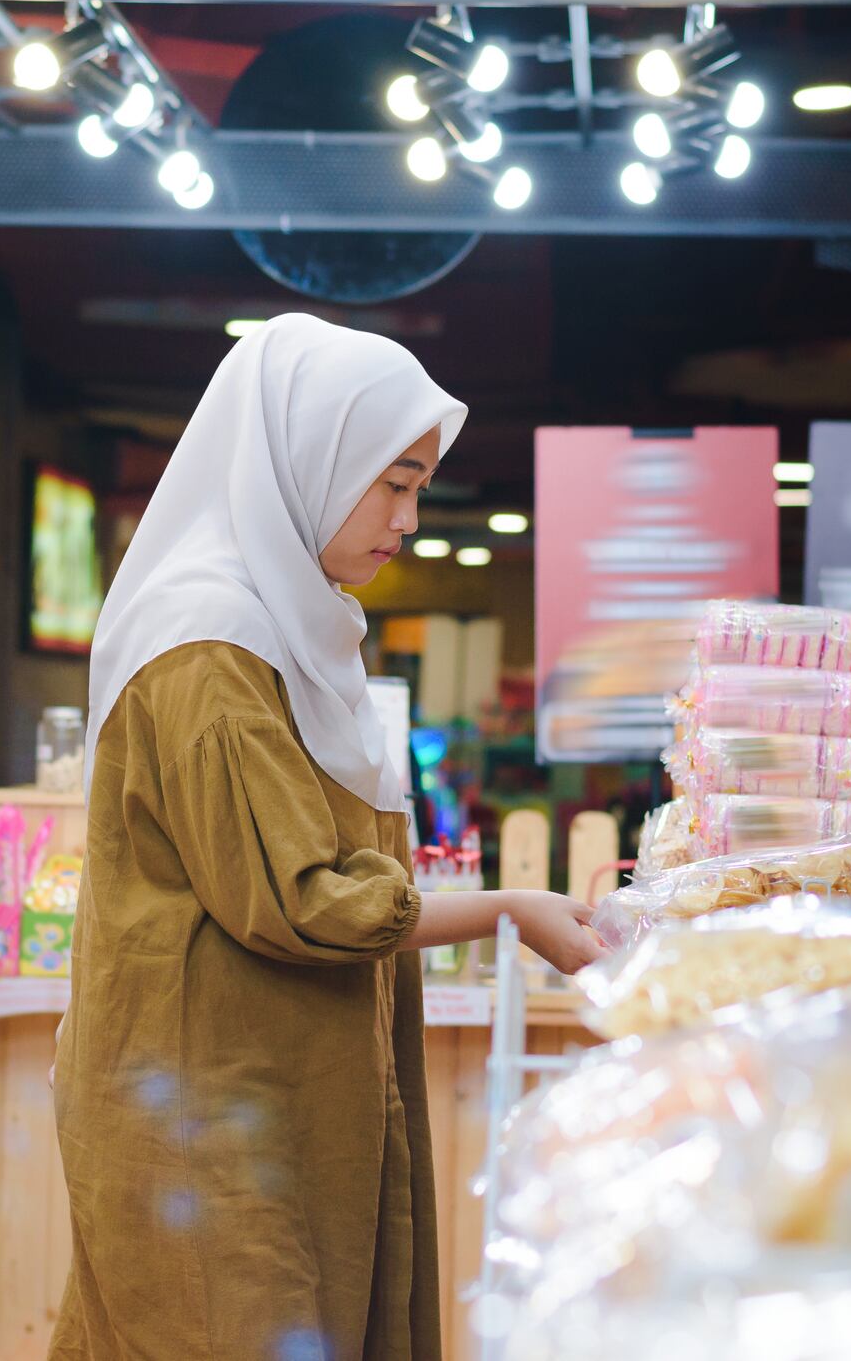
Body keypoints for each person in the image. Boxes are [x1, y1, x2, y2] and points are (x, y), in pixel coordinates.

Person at [50, 314, 603, 1361]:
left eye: (419, 486)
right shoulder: (208, 645)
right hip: (210, 1119)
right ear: (310, 457)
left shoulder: (292, 627)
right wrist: (511, 909)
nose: (408, 517)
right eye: (392, 483)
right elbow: (305, 895)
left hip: (275, 1103)